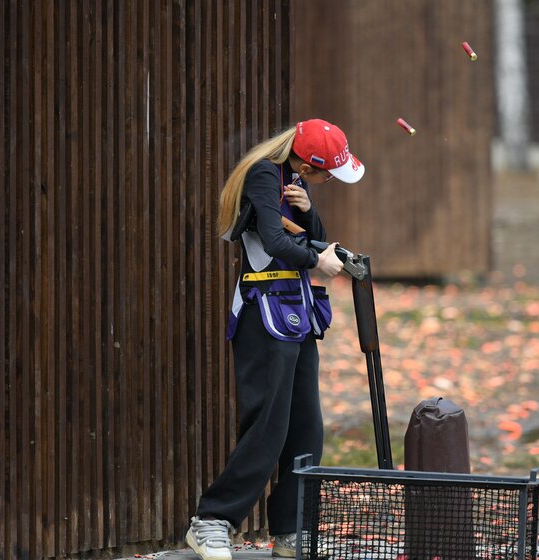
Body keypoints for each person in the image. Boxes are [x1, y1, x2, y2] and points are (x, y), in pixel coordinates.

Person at [186, 119, 365, 560]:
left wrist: (307, 211)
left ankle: (290, 528)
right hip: (262, 311)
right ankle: (212, 520)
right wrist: (317, 263)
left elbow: (314, 238)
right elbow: (274, 242)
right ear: (307, 162)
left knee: (307, 425)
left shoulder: (292, 179)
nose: (328, 181)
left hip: (295, 310)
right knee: (268, 425)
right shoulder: (265, 173)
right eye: (326, 173)